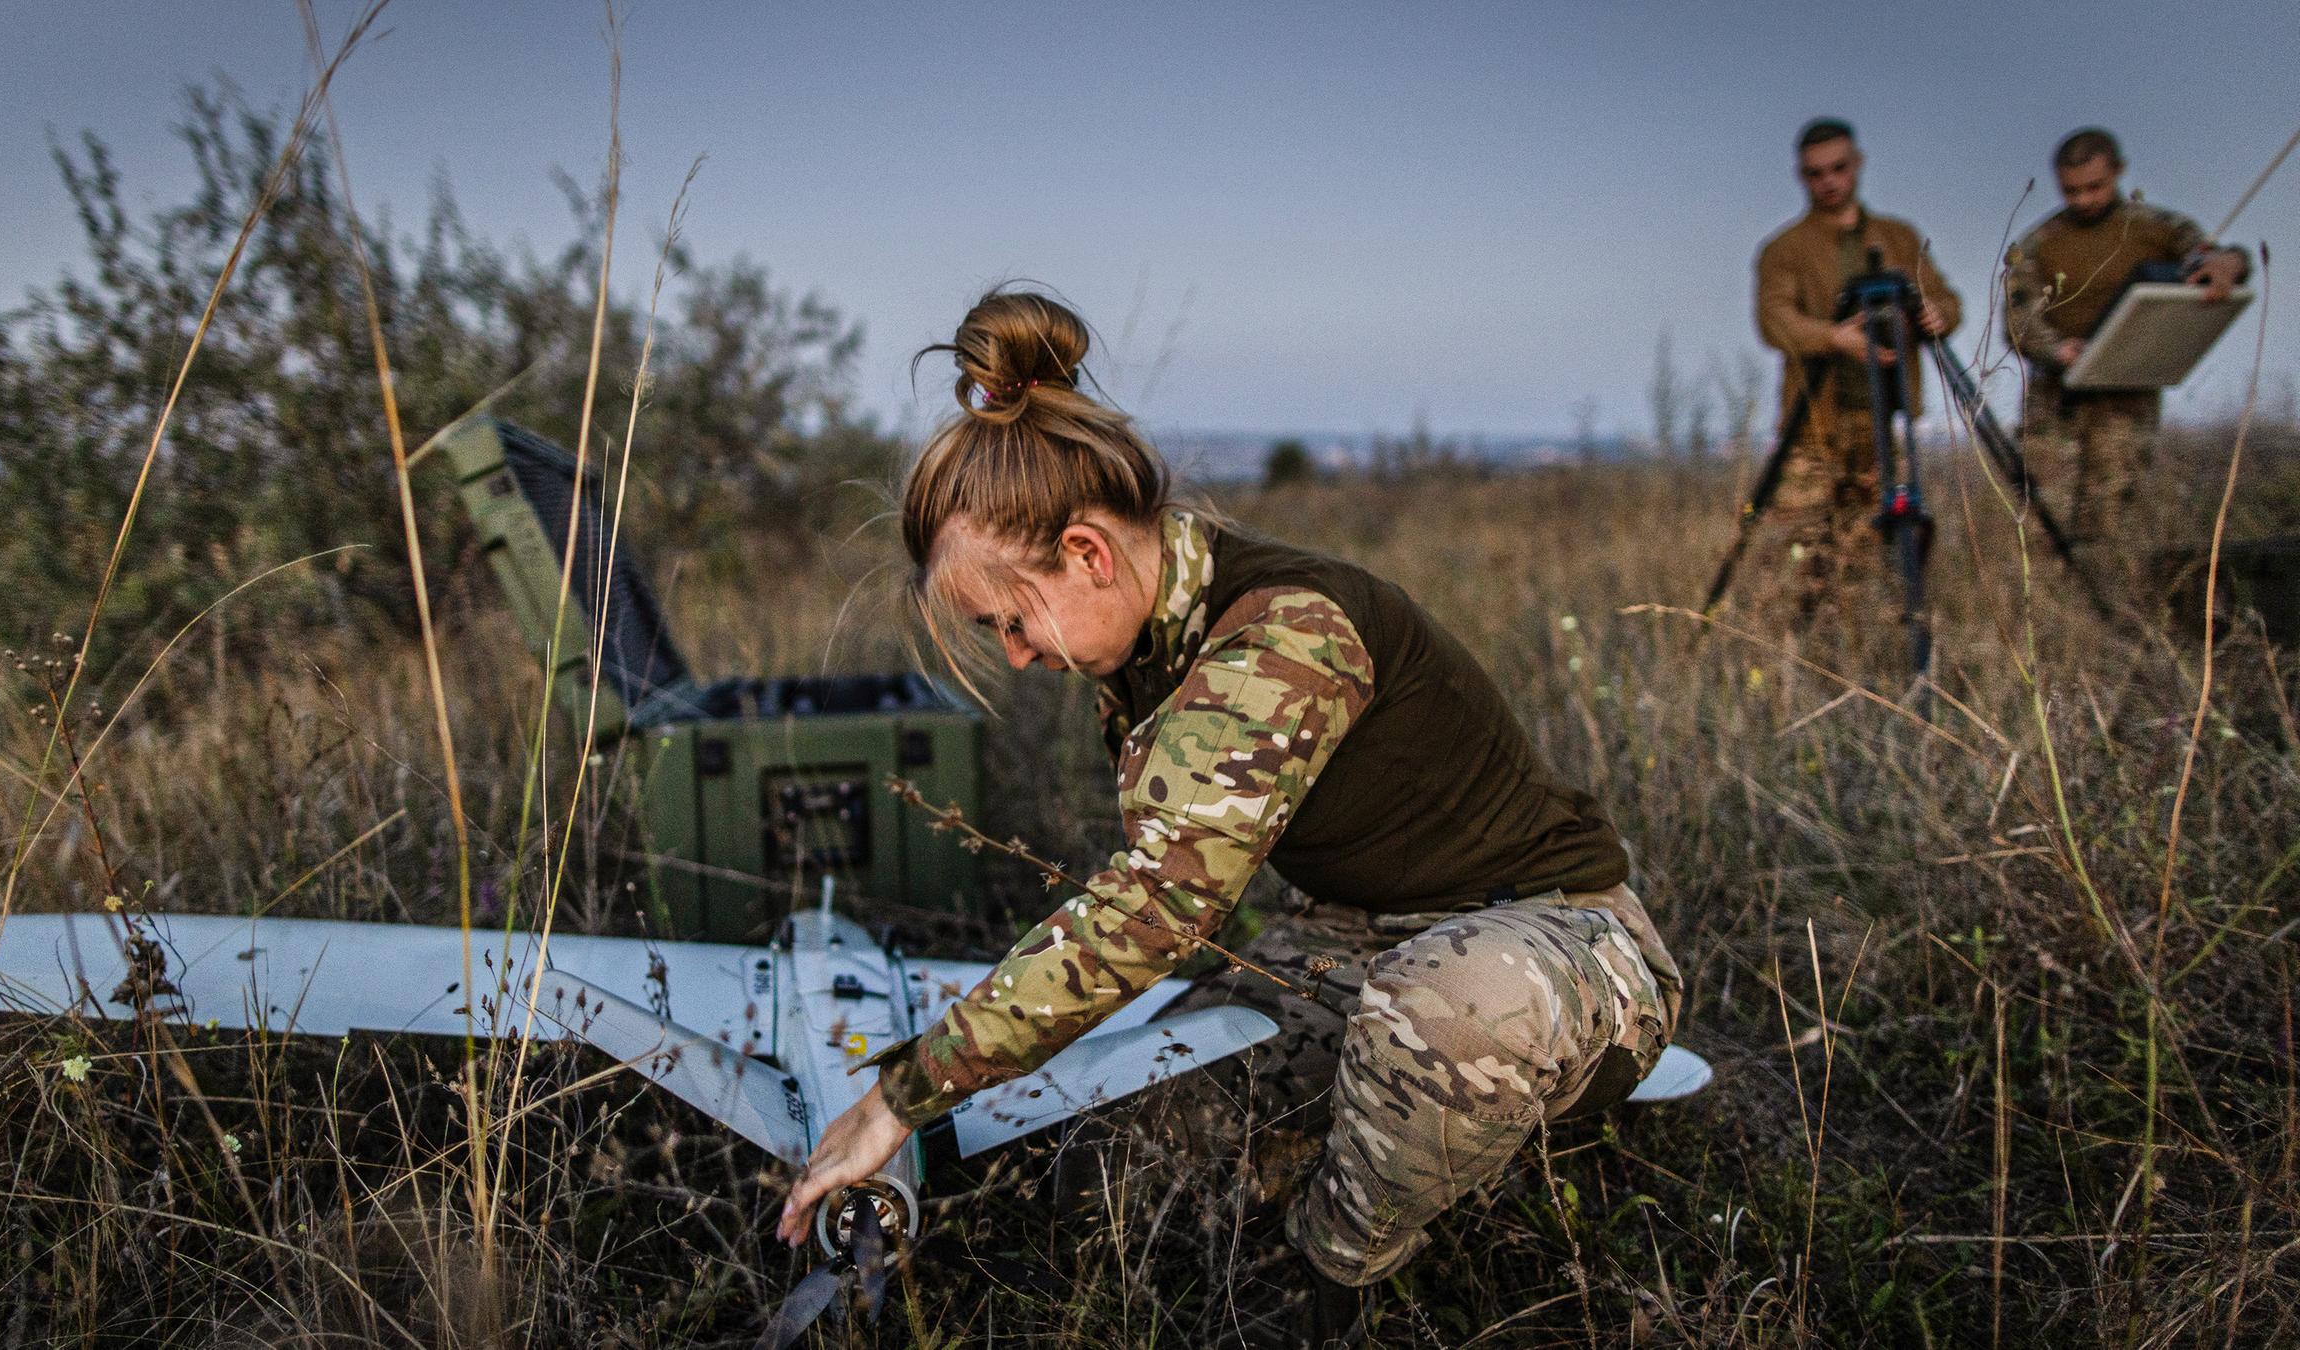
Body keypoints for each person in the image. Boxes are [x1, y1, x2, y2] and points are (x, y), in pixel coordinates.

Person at [773, 290, 1683, 1346]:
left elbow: (1156, 908)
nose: (1018, 654)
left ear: (1089, 553)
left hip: (1558, 937)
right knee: (1110, 1172)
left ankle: (1332, 1276)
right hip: (1357, 941)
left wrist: (904, 1096)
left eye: (1011, 620)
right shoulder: (1153, 641)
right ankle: (1362, 1138)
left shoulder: (1282, 636)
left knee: (1444, 1014)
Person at [1752, 118, 1961, 633]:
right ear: (1802, 176)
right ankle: (1803, 655)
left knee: (1876, 552)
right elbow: (1775, 321)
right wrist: (1834, 337)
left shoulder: (1897, 237)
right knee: (1799, 551)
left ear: (1857, 165)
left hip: (1882, 421)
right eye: (1815, 173)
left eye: (1838, 168)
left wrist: (1937, 315)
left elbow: (1944, 300)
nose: (1829, 182)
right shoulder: (1785, 249)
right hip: (1814, 424)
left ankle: (1873, 648)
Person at [2004, 127, 2250, 548]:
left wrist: (2232, 262)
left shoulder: (2158, 229)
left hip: (2129, 392)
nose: (2083, 200)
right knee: (2042, 516)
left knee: (2114, 515)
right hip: (2057, 396)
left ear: (2118, 171)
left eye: (2094, 187)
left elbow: (2212, 259)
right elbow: (2018, 319)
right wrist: (2057, 349)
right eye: (2071, 191)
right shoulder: (2036, 245)